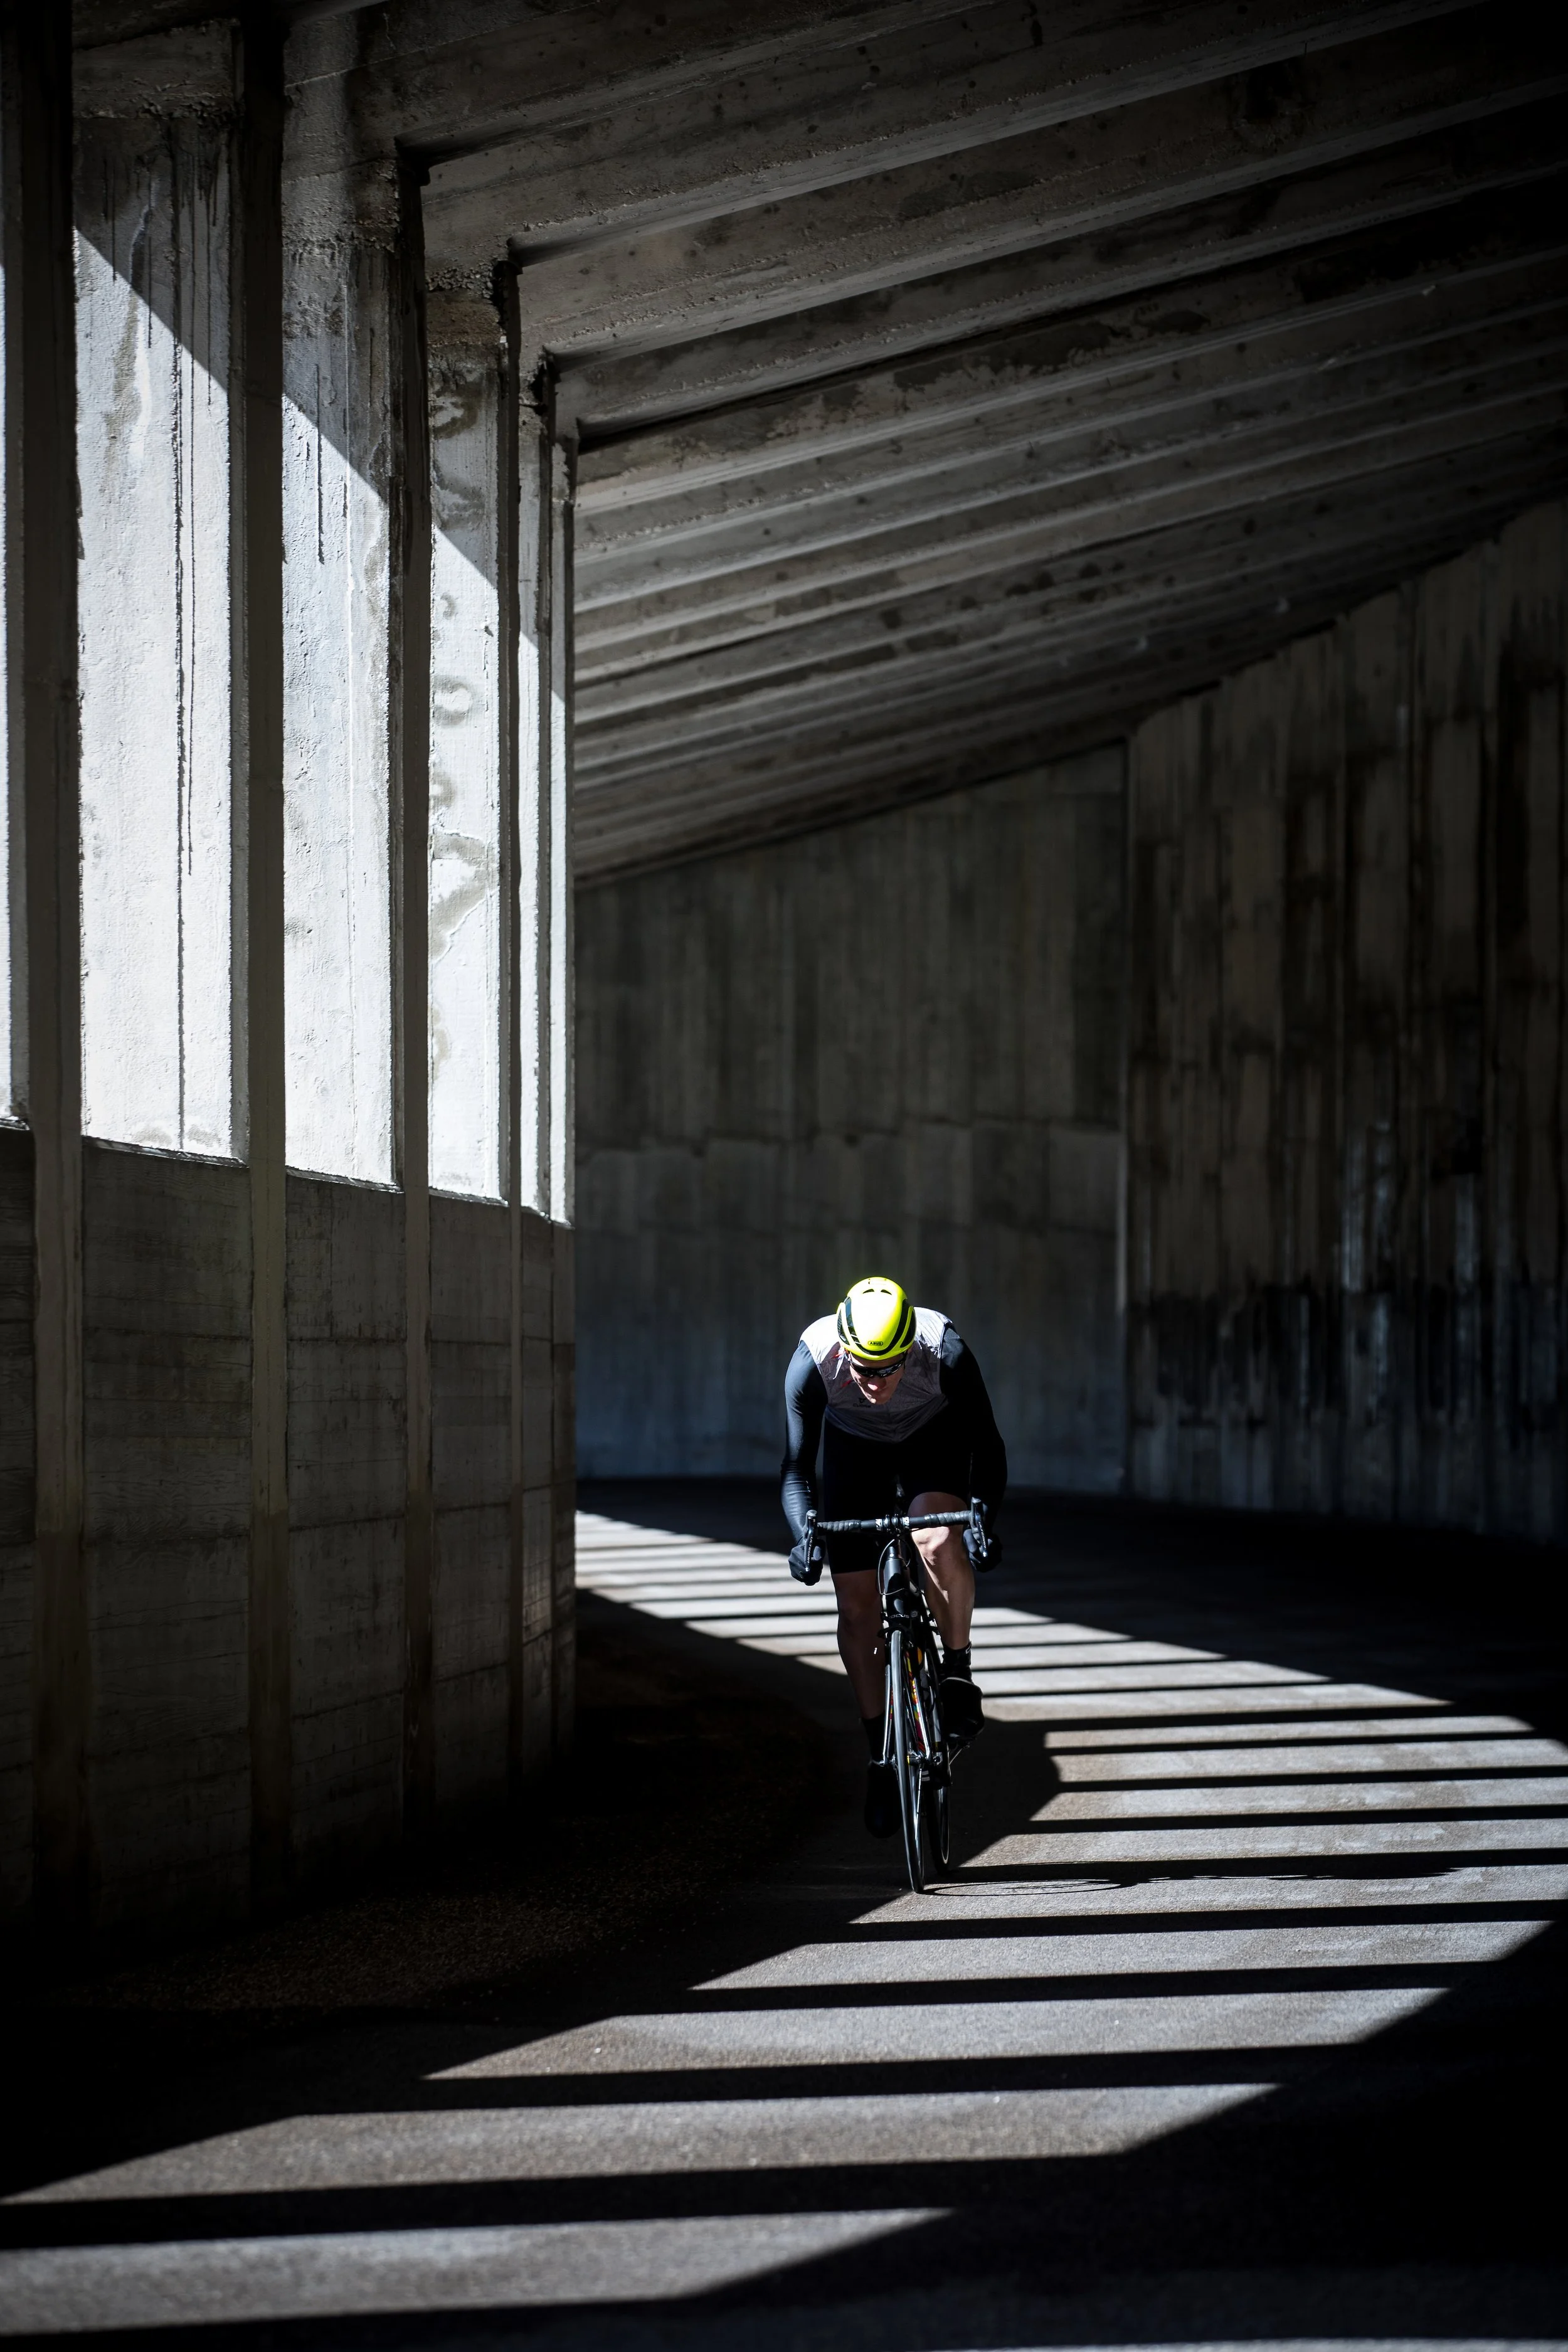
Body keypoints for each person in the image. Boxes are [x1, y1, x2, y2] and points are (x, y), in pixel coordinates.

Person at [781, 1276, 1007, 1838]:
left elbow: (988, 1444)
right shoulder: (813, 1361)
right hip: (853, 1448)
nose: (874, 1381)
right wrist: (803, 1535)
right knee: (856, 1608)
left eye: (888, 1368)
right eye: (862, 1369)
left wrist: (981, 1518)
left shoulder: (946, 1352)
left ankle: (956, 1674)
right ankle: (881, 1758)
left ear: (909, 1350)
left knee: (935, 1537)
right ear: (844, 1352)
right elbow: (795, 1467)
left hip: (933, 1437)